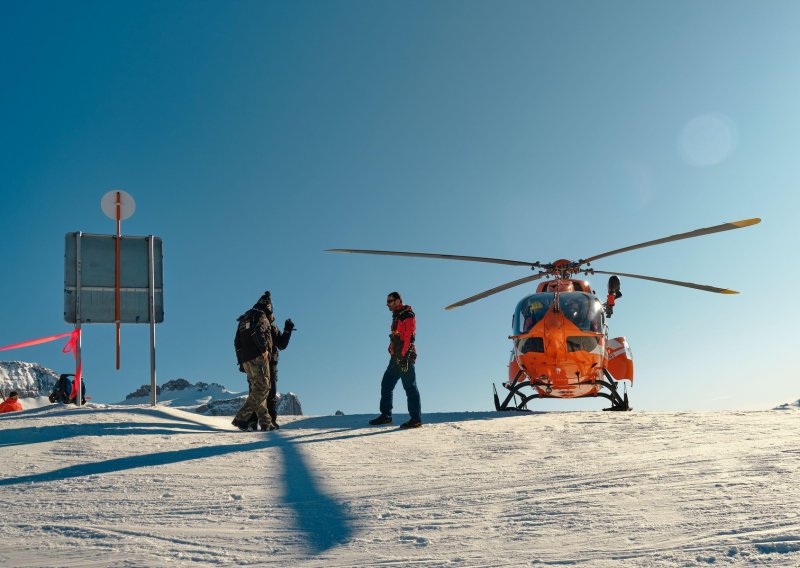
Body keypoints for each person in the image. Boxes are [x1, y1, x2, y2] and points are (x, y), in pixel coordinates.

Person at [369, 291, 423, 429]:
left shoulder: (407, 314)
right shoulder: (397, 315)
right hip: (396, 358)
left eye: (390, 301)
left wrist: (404, 356)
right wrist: (392, 349)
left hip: (405, 357)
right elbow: (397, 335)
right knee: (386, 384)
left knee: (410, 387)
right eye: (387, 301)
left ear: (398, 301)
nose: (387, 304)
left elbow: (410, 336)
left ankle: (416, 419)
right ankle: (386, 416)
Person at [232, 291, 275, 432]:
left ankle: (265, 422)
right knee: (264, 388)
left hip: (246, 359)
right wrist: (263, 349)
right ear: (268, 307)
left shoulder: (244, 318)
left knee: (257, 389)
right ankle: (241, 418)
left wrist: (241, 362)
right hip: (258, 357)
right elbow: (256, 331)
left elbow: (236, 342)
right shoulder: (260, 316)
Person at [247, 317, 295, 430]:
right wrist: (287, 331)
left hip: (252, 363)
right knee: (271, 393)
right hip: (269, 362)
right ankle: (270, 422)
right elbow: (282, 345)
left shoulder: (249, 324)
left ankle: (252, 422)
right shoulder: (270, 326)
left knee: (255, 392)